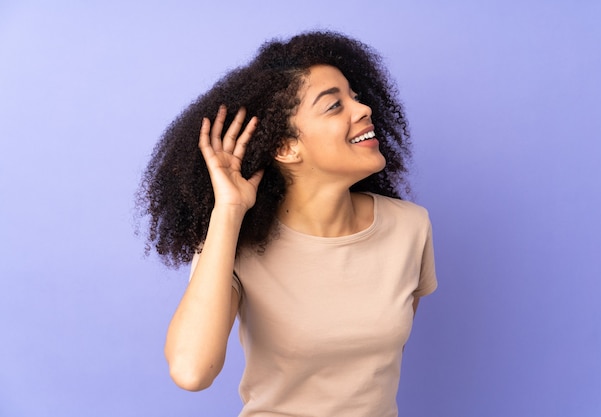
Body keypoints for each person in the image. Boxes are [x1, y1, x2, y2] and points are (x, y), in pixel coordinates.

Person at [137, 31, 437, 417]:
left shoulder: (410, 227)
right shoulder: (236, 244)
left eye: (355, 97)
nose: (362, 110)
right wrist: (228, 210)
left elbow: (371, 365)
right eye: (334, 106)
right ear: (285, 147)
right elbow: (192, 371)